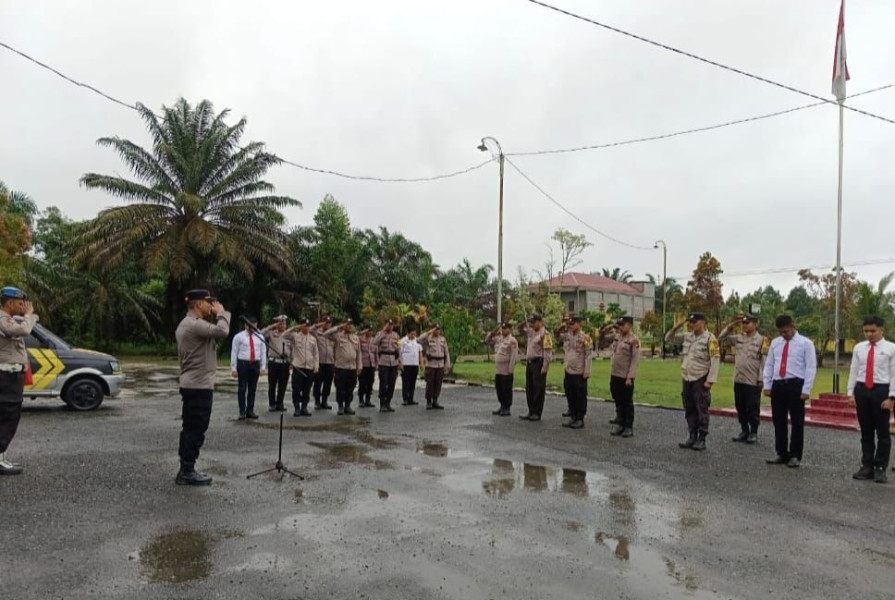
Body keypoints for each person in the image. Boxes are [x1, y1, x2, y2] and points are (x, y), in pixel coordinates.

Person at [175, 289, 230, 485]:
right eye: (208, 302)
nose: (211, 306)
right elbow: (223, 331)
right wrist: (222, 313)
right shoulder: (193, 324)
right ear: (198, 305)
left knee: (191, 427)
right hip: (198, 386)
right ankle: (187, 470)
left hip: (194, 384)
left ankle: (186, 467)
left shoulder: (188, 324)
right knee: (196, 428)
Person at [762, 314, 817, 469]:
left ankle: (795, 455)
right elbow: (770, 364)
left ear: (793, 326)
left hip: (795, 384)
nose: (783, 335)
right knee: (778, 420)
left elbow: (810, 367)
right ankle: (781, 453)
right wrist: (767, 384)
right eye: (780, 332)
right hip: (778, 384)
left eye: (785, 331)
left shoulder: (805, 343)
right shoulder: (775, 343)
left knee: (797, 421)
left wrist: (806, 389)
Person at [846, 315, 895, 483]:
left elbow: (894, 374)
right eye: (866, 331)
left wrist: (891, 398)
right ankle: (866, 466)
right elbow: (853, 370)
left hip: (881, 390)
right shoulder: (859, 348)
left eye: (873, 330)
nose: (869, 334)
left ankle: (880, 467)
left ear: (882, 329)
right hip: (862, 390)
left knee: (882, 432)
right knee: (866, 431)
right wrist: (850, 393)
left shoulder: (891, 348)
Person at [666, 313, 720, 451]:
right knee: (689, 408)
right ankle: (692, 435)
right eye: (690, 322)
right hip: (687, 377)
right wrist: (677, 326)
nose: (691, 324)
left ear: (703, 322)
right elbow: (668, 338)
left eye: (695, 322)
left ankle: (702, 438)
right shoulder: (688, 336)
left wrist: (710, 380)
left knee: (701, 408)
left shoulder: (710, 339)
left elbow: (715, 360)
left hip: (700, 378)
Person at [0, 286, 38, 476]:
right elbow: (23, 330)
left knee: (8, 415)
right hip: (6, 377)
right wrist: (30, 315)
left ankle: (1, 456)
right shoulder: (2, 320)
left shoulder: (7, 318)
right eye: (20, 302)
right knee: (8, 415)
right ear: (9, 303)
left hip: (10, 375)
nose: (24, 305)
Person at [718, 314, 767, 444]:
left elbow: (764, 361)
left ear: (756, 324)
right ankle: (744, 430)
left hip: (753, 380)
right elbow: (721, 339)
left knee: (752, 407)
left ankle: (753, 432)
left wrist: (761, 378)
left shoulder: (762, 340)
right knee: (740, 406)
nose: (745, 325)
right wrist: (731, 325)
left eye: (748, 323)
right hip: (739, 379)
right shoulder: (739, 338)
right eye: (743, 323)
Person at [605, 316, 640, 438]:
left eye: (622, 324)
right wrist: (605, 329)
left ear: (629, 325)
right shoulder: (617, 337)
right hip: (615, 374)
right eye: (619, 324)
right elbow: (603, 340)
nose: (620, 327)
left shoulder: (633, 340)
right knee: (618, 400)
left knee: (627, 402)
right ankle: (620, 423)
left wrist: (630, 377)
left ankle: (628, 426)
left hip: (625, 376)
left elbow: (635, 360)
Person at [556, 315, 593, 429]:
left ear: (579, 324)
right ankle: (572, 416)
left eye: (573, 324)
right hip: (569, 370)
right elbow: (557, 337)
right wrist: (562, 327)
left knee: (580, 396)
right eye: (569, 324)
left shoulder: (585, 337)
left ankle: (579, 419)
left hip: (579, 371)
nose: (570, 326)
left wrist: (587, 371)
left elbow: (588, 355)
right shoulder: (567, 336)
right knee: (570, 394)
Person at [230, 315, 267, 420]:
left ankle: (250, 410)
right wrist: (233, 368)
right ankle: (242, 411)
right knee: (242, 388)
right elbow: (234, 352)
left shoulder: (260, 337)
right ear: (245, 325)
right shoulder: (239, 337)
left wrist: (263, 366)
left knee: (252, 389)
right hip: (243, 363)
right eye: (250, 325)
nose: (252, 327)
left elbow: (263, 352)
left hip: (255, 363)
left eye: (254, 325)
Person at [518, 315, 553, 421]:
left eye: (534, 322)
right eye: (531, 322)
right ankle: (531, 411)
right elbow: (518, 329)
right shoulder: (531, 332)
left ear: (540, 322)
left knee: (538, 389)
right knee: (530, 388)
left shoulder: (545, 334)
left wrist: (545, 366)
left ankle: (537, 412)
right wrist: (525, 320)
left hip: (539, 363)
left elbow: (547, 352)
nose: (532, 324)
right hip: (530, 363)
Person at [324, 319, 363, 415]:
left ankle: (347, 406)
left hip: (352, 367)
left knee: (350, 387)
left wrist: (359, 366)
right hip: (341, 367)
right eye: (347, 324)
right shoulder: (338, 336)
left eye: (351, 324)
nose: (349, 326)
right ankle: (340, 406)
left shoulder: (355, 338)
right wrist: (339, 327)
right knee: (340, 387)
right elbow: (326, 334)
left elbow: (358, 353)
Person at [284, 318, 318, 417]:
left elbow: (316, 354)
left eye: (308, 326)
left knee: (307, 389)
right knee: (297, 389)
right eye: (304, 325)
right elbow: (284, 334)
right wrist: (295, 327)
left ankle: (304, 407)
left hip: (309, 368)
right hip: (298, 367)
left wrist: (316, 365)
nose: (306, 327)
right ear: (301, 326)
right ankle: (297, 408)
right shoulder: (295, 336)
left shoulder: (313, 339)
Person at [485, 322, 519, 416]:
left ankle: (507, 407)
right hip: (498, 369)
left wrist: (511, 369)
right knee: (499, 388)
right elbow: (487, 340)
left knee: (506, 389)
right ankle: (502, 406)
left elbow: (513, 356)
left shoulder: (512, 341)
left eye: (505, 328)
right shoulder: (499, 339)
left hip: (506, 369)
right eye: (502, 328)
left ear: (510, 329)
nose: (503, 330)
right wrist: (494, 330)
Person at [262, 315, 291, 412]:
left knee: (283, 385)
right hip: (274, 362)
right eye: (280, 323)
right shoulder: (271, 333)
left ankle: (280, 404)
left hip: (285, 363)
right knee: (272, 384)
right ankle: (272, 404)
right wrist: (272, 326)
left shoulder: (289, 334)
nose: (283, 325)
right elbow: (261, 333)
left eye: (284, 323)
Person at [419, 324, 450, 410]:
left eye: (438, 329)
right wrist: (429, 332)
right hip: (431, 365)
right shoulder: (428, 338)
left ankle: (435, 400)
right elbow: (419, 340)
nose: (437, 331)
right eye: (436, 329)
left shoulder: (443, 339)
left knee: (438, 383)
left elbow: (446, 352)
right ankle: (429, 401)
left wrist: (447, 364)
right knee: (430, 383)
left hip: (440, 364)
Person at [373, 319, 401, 413]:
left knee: (392, 383)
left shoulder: (396, 335)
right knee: (383, 383)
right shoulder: (380, 334)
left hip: (393, 361)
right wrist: (384, 331)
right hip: (383, 361)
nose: (390, 326)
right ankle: (382, 404)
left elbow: (399, 349)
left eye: (392, 325)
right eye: (389, 324)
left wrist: (400, 362)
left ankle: (388, 402)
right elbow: (375, 342)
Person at [311, 316, 335, 410]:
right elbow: (311, 329)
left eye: (329, 323)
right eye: (326, 322)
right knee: (318, 382)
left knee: (328, 383)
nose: (327, 324)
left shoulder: (332, 335)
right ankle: (317, 401)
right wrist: (319, 324)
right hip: (320, 362)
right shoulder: (317, 333)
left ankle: (324, 401)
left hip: (330, 362)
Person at [399, 326, 423, 406]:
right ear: (408, 333)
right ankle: (405, 399)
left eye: (414, 334)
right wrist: (400, 363)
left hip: (414, 364)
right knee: (406, 382)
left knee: (413, 382)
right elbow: (400, 353)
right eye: (412, 334)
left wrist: (421, 363)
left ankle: (411, 399)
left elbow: (420, 352)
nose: (413, 336)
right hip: (406, 364)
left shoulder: (417, 341)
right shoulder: (402, 341)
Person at [357, 325, 377, 408]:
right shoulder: (360, 339)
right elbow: (356, 335)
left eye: (371, 331)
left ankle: (368, 400)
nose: (370, 332)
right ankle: (361, 400)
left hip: (371, 364)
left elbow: (376, 352)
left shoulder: (374, 340)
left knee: (370, 382)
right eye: (368, 331)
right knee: (362, 383)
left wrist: (377, 364)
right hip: (363, 364)